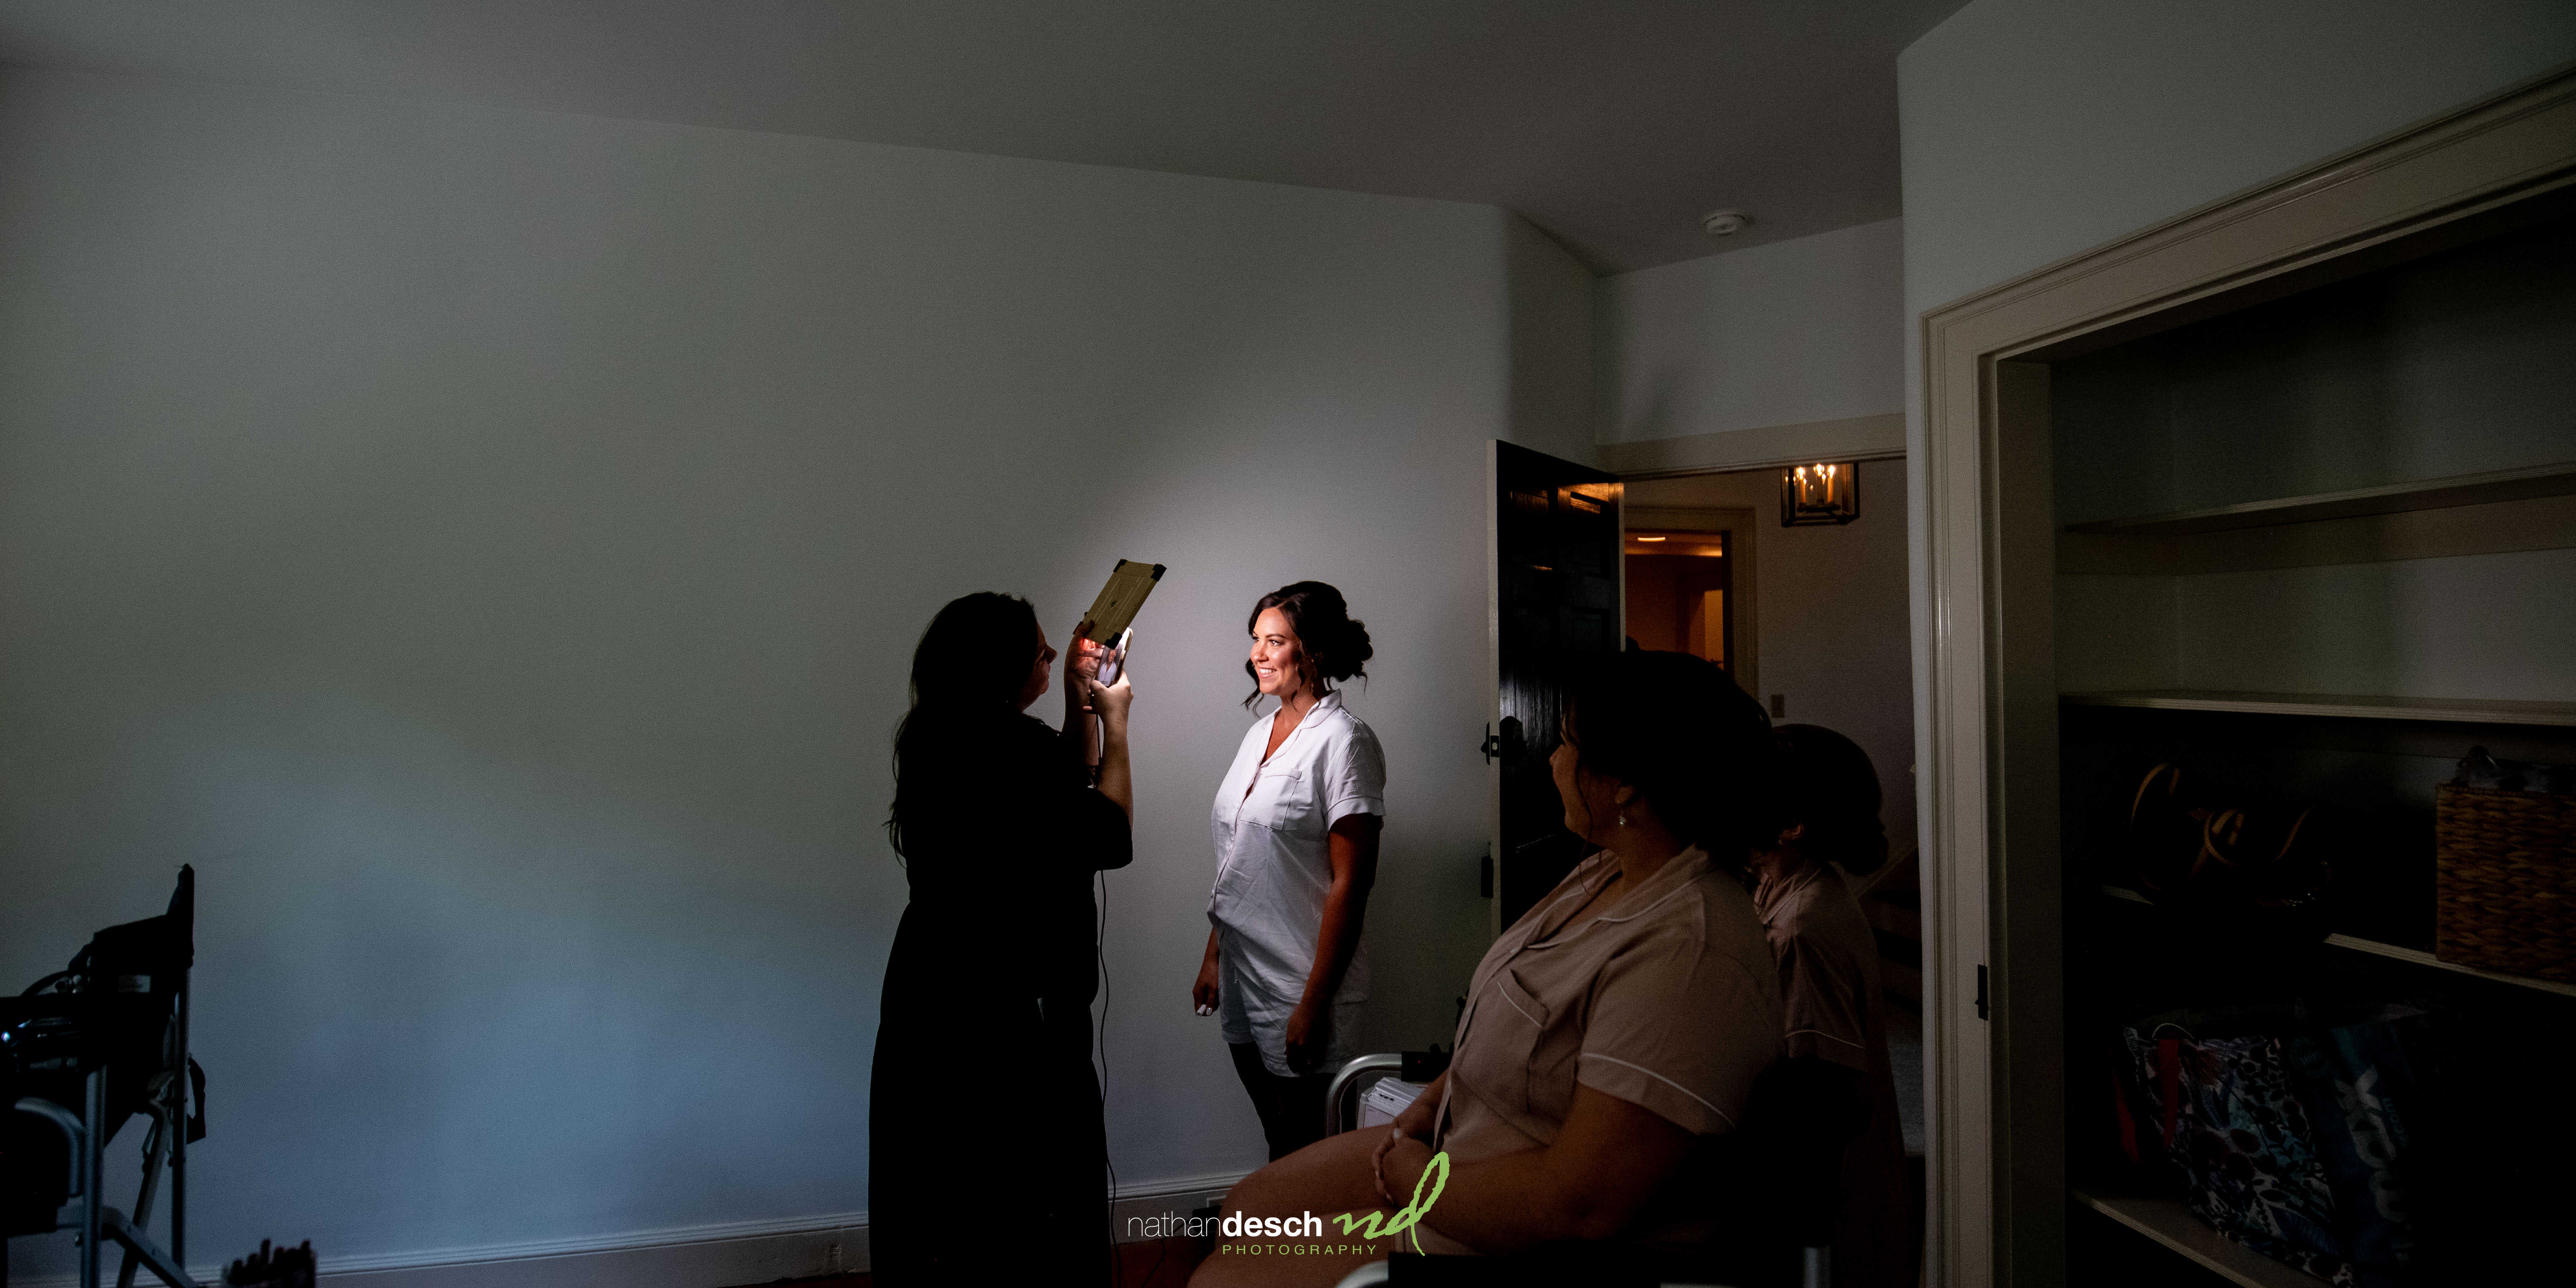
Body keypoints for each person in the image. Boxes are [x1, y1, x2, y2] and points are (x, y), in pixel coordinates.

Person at [1192, 651, 1786, 1288]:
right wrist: (1426, 1106)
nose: (1554, 761)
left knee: (1226, 1278)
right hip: (1456, 1143)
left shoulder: (1688, 955)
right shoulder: (1602, 872)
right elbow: (1503, 1017)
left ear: (1627, 787)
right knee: (1246, 1212)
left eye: (1567, 745)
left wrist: (1419, 1186)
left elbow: (1579, 1203)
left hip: (1518, 1233)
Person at [869, 592, 1134, 1287]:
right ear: (1004, 666)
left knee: (942, 1175)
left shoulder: (934, 733)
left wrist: (1078, 694)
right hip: (1007, 1003)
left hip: (931, 986)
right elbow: (1107, 834)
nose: (1051, 660)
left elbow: (1057, 788)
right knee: (1026, 1186)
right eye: (1043, 653)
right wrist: (1117, 724)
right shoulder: (1011, 748)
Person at [1194, 581, 1385, 1161]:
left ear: (1314, 652)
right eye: (1255, 639)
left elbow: (1352, 882)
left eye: (1274, 640)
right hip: (1242, 971)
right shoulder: (1258, 735)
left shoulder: (1344, 742)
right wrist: (1212, 954)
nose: (1257, 653)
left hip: (1301, 979)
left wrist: (1313, 1002)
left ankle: (1315, 1251)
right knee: (1279, 1138)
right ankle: (1282, 1246)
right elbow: (1239, 857)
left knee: (1310, 1149)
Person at [1750, 724, 1913, 1288]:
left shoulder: (1804, 926)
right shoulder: (1785, 890)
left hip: (1830, 1217)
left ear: (1792, 825)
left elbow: (1820, 1100)